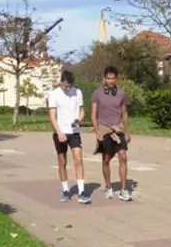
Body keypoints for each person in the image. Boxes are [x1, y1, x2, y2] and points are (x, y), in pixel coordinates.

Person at [48, 70, 90, 204]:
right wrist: (59, 132)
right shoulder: (54, 94)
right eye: (65, 86)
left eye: (70, 86)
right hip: (60, 132)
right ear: (60, 82)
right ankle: (66, 190)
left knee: (78, 159)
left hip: (74, 131)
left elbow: (82, 111)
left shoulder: (78, 92)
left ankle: (82, 191)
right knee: (62, 161)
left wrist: (79, 120)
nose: (67, 88)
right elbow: (52, 116)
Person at [92, 66, 132, 201]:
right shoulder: (97, 94)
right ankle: (108, 187)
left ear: (116, 79)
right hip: (104, 129)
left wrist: (127, 132)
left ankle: (123, 190)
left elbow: (124, 112)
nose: (110, 81)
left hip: (118, 128)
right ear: (104, 79)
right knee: (106, 159)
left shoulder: (121, 94)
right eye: (108, 78)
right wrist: (97, 130)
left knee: (123, 156)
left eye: (113, 78)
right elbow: (93, 113)